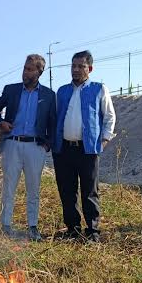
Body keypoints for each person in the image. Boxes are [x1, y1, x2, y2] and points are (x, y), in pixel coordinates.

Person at [52, 50, 116, 242]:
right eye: (73, 66)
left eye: (81, 66)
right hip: (63, 149)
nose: (76, 70)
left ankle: (93, 231)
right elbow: (55, 116)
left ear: (90, 68)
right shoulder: (62, 91)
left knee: (89, 190)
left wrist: (103, 139)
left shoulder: (99, 89)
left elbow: (109, 116)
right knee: (67, 190)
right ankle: (72, 229)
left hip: (87, 149)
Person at [0, 54, 56, 241]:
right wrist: (0, 122)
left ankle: (33, 227)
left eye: (30, 69)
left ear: (39, 72)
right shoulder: (11, 90)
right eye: (25, 68)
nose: (25, 72)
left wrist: (47, 145)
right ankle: (5, 225)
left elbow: (53, 121)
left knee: (33, 189)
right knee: (9, 187)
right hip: (12, 144)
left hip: (35, 147)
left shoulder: (48, 95)